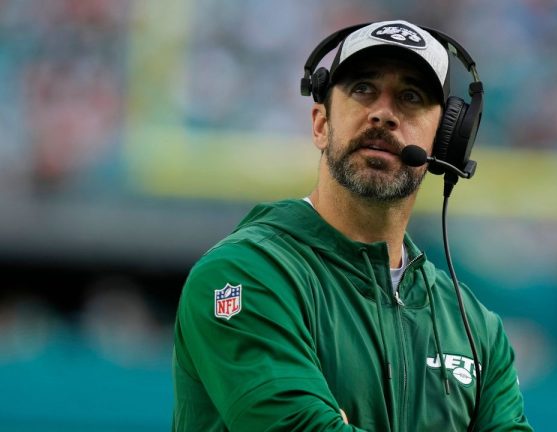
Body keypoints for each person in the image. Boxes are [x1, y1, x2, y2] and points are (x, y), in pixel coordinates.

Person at [172, 19, 533, 431]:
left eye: (410, 96)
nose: (383, 114)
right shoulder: (243, 275)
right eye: (363, 89)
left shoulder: (476, 328)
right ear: (321, 124)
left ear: (446, 142)